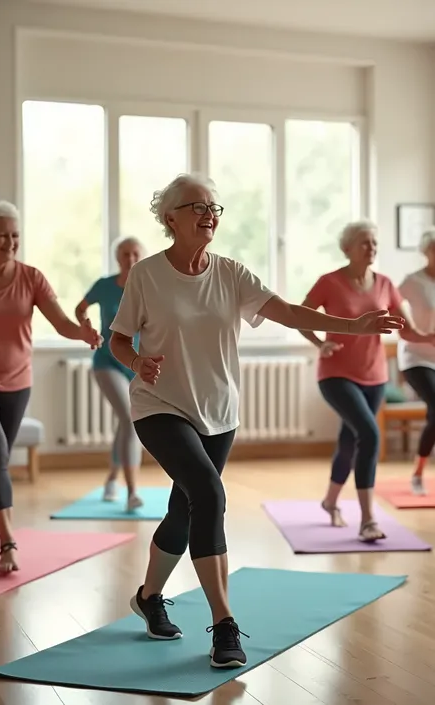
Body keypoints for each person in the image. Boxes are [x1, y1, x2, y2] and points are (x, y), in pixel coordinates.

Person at [108, 174, 404, 669]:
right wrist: (137, 362)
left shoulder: (231, 273)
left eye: (214, 207)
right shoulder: (147, 276)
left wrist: (353, 326)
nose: (209, 213)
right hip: (159, 405)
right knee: (208, 493)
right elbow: (118, 338)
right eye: (196, 206)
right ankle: (224, 624)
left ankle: (147, 597)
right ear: (170, 219)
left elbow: (288, 312)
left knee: (186, 509)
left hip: (219, 412)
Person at [0, 201, 102, 573]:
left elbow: (60, 323)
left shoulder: (32, 277)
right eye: (3, 235)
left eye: (16, 235)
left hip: (17, 380)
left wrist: (82, 334)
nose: (11, 242)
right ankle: (8, 542)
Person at [299, 220, 428, 541]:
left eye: (374, 243)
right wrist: (319, 343)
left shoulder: (385, 284)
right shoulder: (329, 282)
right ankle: (368, 519)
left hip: (375, 376)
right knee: (369, 434)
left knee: (350, 438)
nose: (372, 248)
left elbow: (406, 329)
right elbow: (301, 316)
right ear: (347, 248)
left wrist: (428, 337)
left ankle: (330, 501)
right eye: (365, 243)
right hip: (335, 374)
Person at [75, 237, 145, 507]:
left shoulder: (146, 287)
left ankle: (112, 478)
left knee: (126, 422)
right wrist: (86, 327)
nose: (130, 258)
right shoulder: (104, 286)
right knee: (130, 419)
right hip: (106, 361)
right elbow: (80, 308)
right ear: (118, 257)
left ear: (141, 257)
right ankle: (132, 492)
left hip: (135, 363)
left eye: (135, 253)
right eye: (125, 254)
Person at [397, 228, 435, 495]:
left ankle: (418, 470)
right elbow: (388, 302)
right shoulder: (413, 281)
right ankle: (418, 473)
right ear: (426, 252)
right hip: (415, 356)